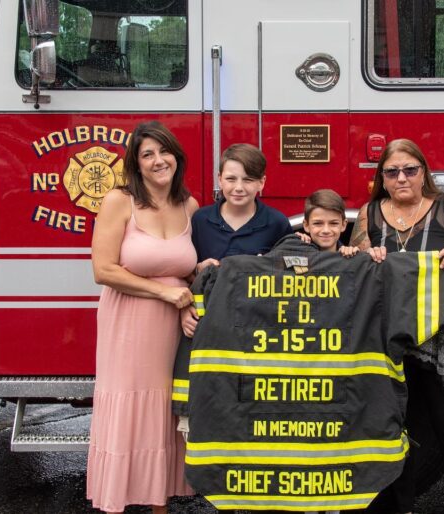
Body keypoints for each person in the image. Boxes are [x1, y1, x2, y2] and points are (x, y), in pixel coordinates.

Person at [349, 138, 444, 514]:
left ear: (423, 172)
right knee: (397, 430)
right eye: (392, 172)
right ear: (382, 177)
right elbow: (355, 268)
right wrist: (366, 254)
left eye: (410, 170)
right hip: (391, 342)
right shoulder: (369, 214)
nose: (402, 178)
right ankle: (401, 507)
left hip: (441, 344)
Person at [87, 121, 198, 514]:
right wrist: (165, 293)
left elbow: (189, 271)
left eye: (164, 151)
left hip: (173, 329)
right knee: (129, 409)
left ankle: (159, 506)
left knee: (163, 412)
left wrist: (190, 293)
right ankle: (114, 502)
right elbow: (103, 270)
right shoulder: (120, 201)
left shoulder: (189, 206)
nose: (158, 160)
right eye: (147, 154)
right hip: (128, 324)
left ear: (176, 157)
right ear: (135, 163)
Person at [181, 143, 293, 337]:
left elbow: (292, 276)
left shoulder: (277, 223)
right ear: (219, 179)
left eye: (248, 180)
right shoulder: (200, 220)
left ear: (262, 182)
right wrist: (196, 273)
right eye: (231, 179)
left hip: (258, 325)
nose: (238, 188)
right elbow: (183, 272)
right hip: (209, 323)